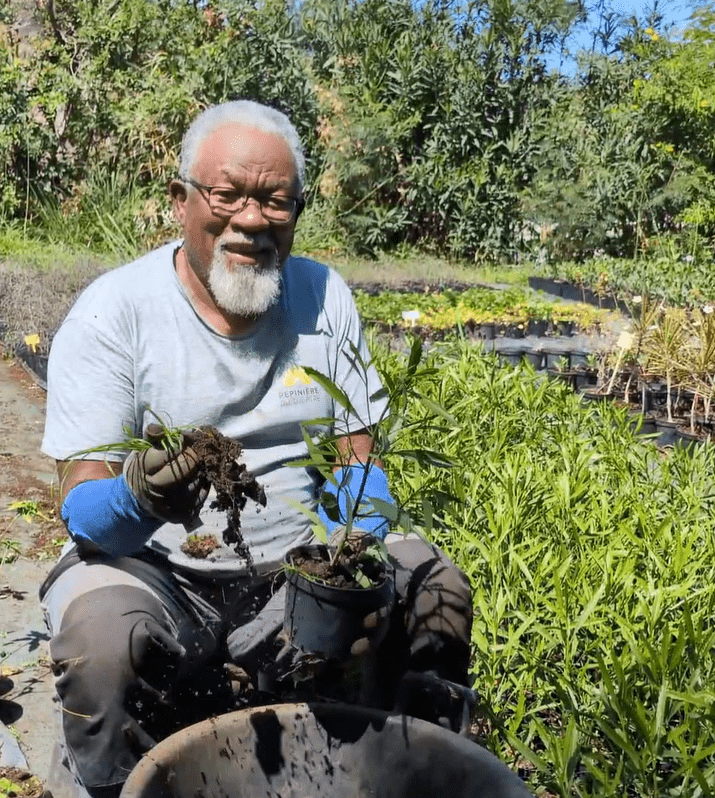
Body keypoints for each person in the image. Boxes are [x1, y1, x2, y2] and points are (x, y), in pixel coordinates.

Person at [38, 100, 473, 798]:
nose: (251, 220)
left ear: (297, 210)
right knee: (101, 636)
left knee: (435, 587)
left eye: (275, 200)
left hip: (294, 566)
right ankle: (116, 785)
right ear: (180, 201)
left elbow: (360, 462)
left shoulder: (324, 296)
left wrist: (353, 546)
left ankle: (396, 769)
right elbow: (83, 507)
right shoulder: (113, 311)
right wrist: (139, 495)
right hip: (158, 567)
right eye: (227, 194)